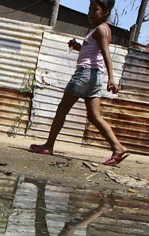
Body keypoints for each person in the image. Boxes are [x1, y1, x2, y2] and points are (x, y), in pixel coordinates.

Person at [29, 0, 130, 166]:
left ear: (105, 12)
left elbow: (106, 55)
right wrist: (78, 47)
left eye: (95, 9)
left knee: (62, 109)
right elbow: (93, 53)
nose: (90, 13)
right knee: (94, 116)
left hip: (85, 74)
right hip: (95, 77)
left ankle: (48, 146)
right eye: (89, 9)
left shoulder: (100, 30)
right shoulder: (102, 30)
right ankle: (118, 148)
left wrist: (113, 78)